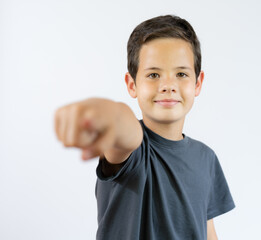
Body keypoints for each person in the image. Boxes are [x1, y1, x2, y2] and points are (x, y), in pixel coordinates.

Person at [54, 15, 235, 240]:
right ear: (132, 85)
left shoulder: (207, 158)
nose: (168, 85)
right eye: (153, 75)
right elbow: (124, 129)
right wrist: (110, 114)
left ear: (197, 83)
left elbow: (207, 231)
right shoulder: (131, 149)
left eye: (181, 74)